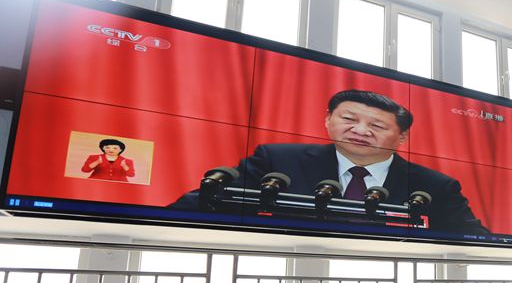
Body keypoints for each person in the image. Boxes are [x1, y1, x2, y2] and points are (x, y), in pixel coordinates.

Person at [171, 90, 488, 234]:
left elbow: (475, 239)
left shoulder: (434, 185)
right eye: (349, 119)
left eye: (377, 125)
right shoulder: (277, 160)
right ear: (328, 120)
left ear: (402, 137)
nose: (360, 131)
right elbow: (199, 207)